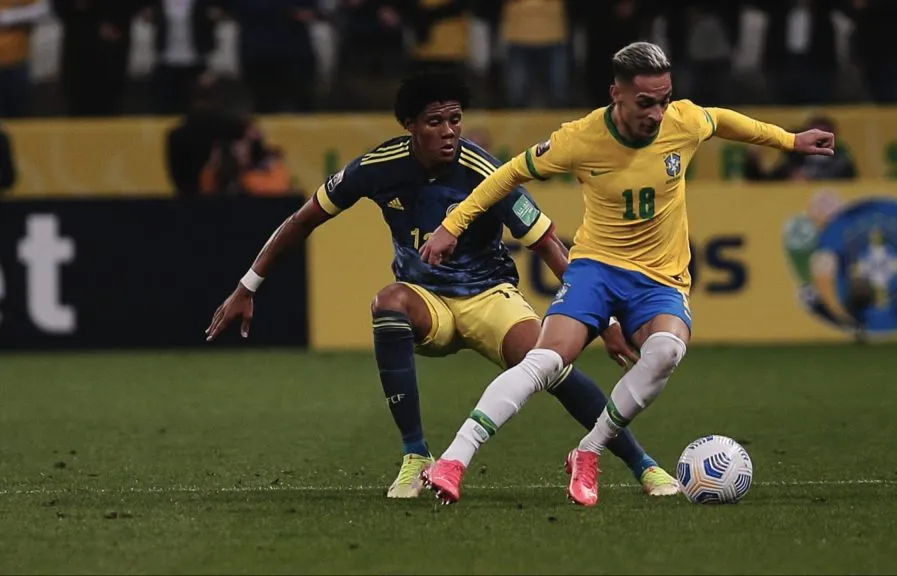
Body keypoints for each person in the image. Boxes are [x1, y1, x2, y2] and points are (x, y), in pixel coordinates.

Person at [204, 70, 681, 499]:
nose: (450, 131)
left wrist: (607, 319)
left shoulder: (485, 171)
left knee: (549, 363)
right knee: (387, 302)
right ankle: (416, 457)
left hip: (490, 295)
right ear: (410, 125)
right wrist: (248, 285)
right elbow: (301, 220)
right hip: (427, 300)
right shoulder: (376, 167)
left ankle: (642, 464)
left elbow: (549, 244)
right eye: (436, 122)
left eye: (455, 119)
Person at [418, 42, 836, 506]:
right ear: (615, 93)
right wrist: (450, 226)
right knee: (546, 361)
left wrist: (790, 140)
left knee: (666, 351)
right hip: (597, 268)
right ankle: (455, 459)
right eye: (645, 103)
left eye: (664, 100)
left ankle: (589, 451)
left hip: (660, 277)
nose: (657, 113)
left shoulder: (683, 121)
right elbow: (506, 176)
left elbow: (723, 119)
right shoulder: (580, 138)